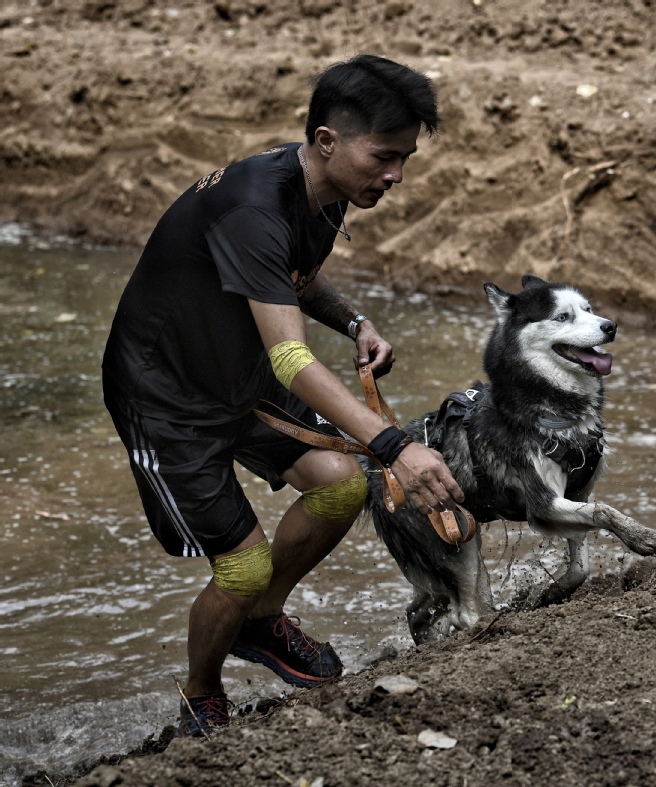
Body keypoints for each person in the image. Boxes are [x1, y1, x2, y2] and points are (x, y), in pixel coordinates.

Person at [101, 54, 463, 737]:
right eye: (385, 157)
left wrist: (354, 321)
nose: (396, 176)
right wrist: (394, 446)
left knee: (338, 486)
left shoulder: (321, 192)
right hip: (165, 396)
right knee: (241, 564)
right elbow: (292, 359)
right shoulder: (252, 207)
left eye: (406, 158)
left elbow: (289, 282)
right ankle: (202, 691)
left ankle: (261, 623)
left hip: (238, 371)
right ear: (328, 141)